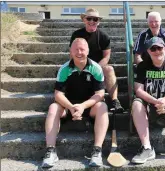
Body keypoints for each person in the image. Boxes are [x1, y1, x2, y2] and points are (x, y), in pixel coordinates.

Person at [41, 38, 109, 168]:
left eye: (82, 49)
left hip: (89, 106)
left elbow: (100, 94)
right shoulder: (64, 69)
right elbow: (58, 94)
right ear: (71, 52)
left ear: (88, 51)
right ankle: (50, 151)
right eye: (76, 49)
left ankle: (97, 151)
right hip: (68, 106)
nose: (79, 52)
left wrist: (83, 106)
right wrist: (72, 107)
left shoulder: (96, 68)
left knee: (103, 106)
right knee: (53, 107)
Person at [69, 8, 124, 113]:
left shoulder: (104, 36)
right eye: (89, 18)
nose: (92, 21)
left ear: (98, 22)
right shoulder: (76, 35)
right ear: (84, 20)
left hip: (98, 67)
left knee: (109, 69)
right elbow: (72, 53)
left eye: (95, 19)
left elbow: (106, 57)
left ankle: (115, 101)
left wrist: (95, 68)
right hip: (80, 65)